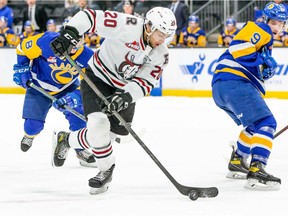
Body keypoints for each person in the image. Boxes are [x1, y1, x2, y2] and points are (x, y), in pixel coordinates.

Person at [49, 6, 177, 194]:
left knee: (106, 137)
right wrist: (70, 32)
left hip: (123, 88)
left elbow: (146, 81)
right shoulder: (128, 24)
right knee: (98, 125)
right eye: (161, 34)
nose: (162, 40)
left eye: (166, 36)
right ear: (149, 26)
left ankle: (66, 139)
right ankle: (106, 170)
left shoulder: (161, 54)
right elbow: (90, 16)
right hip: (98, 77)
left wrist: (125, 97)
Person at [212, 2, 287, 190]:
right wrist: (263, 60)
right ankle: (257, 169)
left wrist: (262, 70)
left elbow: (247, 55)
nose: (276, 27)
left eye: (281, 24)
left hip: (222, 86)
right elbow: (238, 49)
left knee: (254, 124)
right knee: (267, 123)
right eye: (274, 22)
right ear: (265, 19)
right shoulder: (261, 29)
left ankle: (237, 161)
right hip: (235, 82)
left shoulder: (262, 35)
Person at [13, 29, 97, 167]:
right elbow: (22, 48)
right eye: (69, 45)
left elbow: (92, 84)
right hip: (38, 86)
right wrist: (21, 68)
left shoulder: (88, 57)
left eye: (76, 45)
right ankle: (29, 136)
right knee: (33, 127)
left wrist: (75, 97)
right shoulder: (46, 41)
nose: (72, 50)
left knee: (79, 115)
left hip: (66, 88)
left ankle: (80, 150)